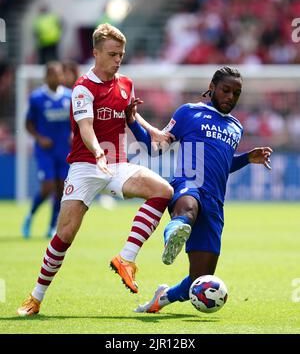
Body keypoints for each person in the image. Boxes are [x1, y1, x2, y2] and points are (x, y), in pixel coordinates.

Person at [17, 23, 173, 316]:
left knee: (163, 190)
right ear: (96, 53)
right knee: (65, 235)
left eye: (121, 55)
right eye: (113, 54)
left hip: (116, 164)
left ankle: (126, 258)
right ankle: (35, 297)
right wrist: (98, 151)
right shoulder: (82, 88)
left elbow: (131, 117)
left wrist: (155, 132)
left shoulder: (126, 83)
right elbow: (86, 128)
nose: (118, 60)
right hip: (85, 166)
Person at [125, 66, 273, 313]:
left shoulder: (236, 127)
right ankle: (173, 234)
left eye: (236, 93)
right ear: (212, 87)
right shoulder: (189, 112)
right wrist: (132, 122)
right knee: (188, 211)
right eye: (226, 90)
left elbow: (224, 164)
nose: (230, 97)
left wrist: (246, 158)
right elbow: (155, 147)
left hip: (215, 201)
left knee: (199, 279)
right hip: (188, 184)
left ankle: (164, 296)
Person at [22, 61, 72, 239]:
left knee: (61, 190)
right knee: (47, 187)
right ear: (46, 77)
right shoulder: (37, 98)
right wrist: (39, 138)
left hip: (64, 150)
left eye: (60, 74)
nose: (57, 77)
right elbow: (28, 123)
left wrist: (74, 133)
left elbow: (77, 121)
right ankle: (31, 215)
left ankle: (52, 226)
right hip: (46, 150)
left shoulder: (70, 96)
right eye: (53, 74)